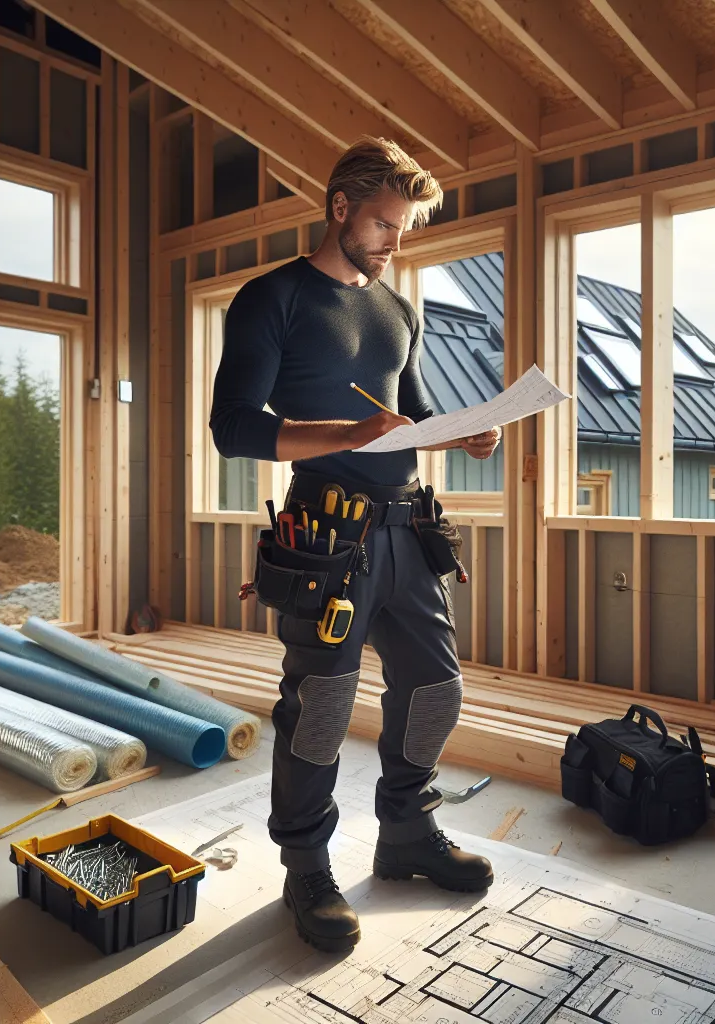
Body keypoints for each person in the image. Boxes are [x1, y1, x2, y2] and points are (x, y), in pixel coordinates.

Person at [209, 137, 501, 952]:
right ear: (339, 208)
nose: (393, 243)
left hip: (408, 528)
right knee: (322, 709)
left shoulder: (398, 310)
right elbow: (232, 427)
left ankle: (407, 832)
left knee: (436, 690)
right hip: (326, 535)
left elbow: (408, 415)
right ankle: (306, 867)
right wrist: (346, 430)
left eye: (402, 228)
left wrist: (463, 434)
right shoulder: (273, 299)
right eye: (382, 224)